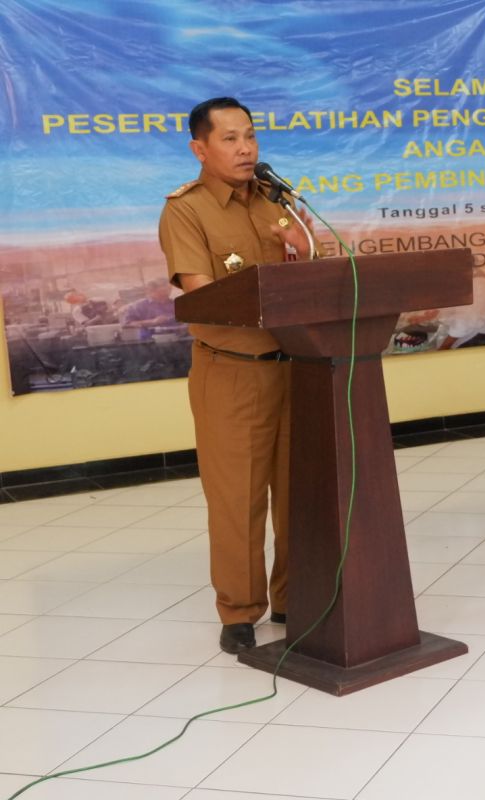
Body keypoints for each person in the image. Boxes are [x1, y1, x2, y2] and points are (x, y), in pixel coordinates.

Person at [158, 96, 318, 655]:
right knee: (238, 498)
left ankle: (293, 597)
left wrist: (309, 248)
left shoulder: (280, 199)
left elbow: (325, 265)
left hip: (297, 367)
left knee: (298, 493)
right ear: (199, 148)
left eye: (249, 135)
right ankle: (239, 611)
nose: (245, 147)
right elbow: (202, 296)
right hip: (232, 372)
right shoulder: (187, 209)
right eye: (229, 138)